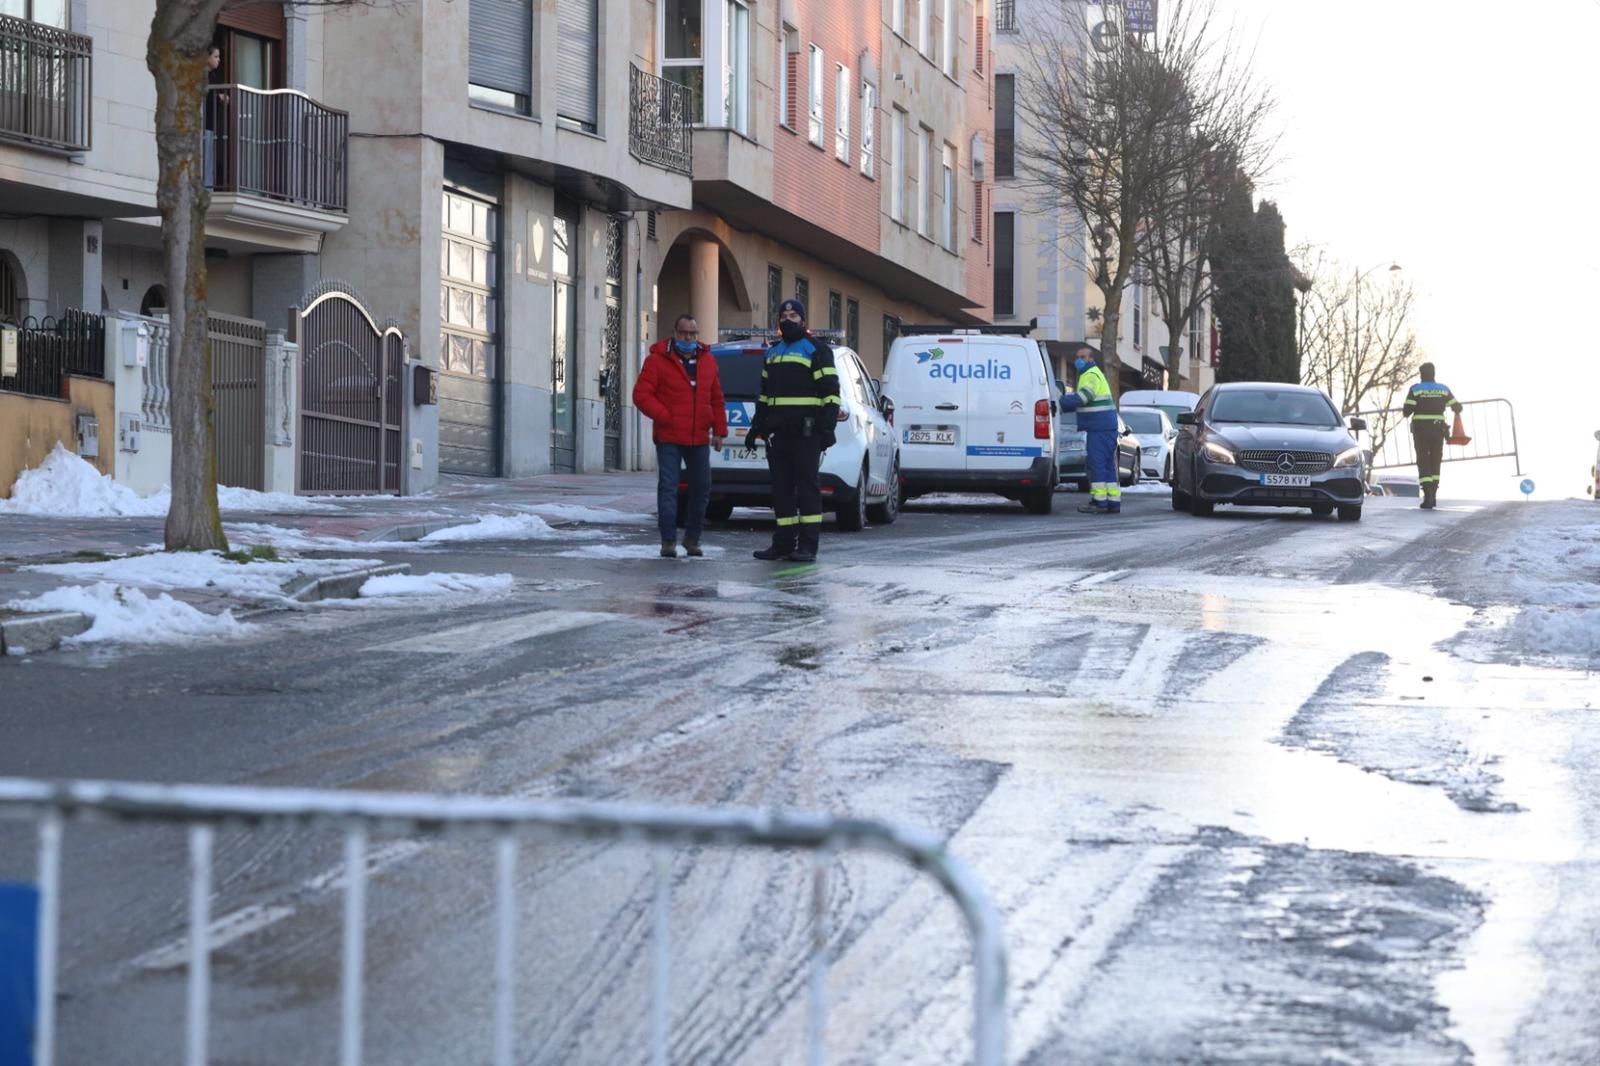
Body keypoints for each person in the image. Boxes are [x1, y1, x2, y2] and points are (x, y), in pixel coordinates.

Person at [745, 298, 839, 562]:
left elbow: (831, 393)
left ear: (803, 320)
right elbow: (764, 396)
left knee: (807, 489)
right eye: (784, 315)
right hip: (778, 434)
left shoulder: (816, 350)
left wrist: (827, 427)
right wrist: (756, 428)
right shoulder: (772, 353)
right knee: (782, 490)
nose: (788, 319)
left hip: (806, 433)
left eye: (793, 315)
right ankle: (784, 543)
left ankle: (808, 545)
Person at [633, 314, 726, 556]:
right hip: (669, 438)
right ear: (675, 333)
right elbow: (641, 395)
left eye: (693, 334)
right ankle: (668, 541)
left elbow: (716, 398)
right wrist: (665, 416)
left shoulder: (708, 361)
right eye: (684, 333)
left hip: (698, 439)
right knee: (668, 488)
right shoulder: (656, 361)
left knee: (702, 489)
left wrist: (719, 431)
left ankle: (692, 539)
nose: (689, 338)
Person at [1059, 346, 1119, 514]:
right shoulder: (1092, 374)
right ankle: (1112, 502)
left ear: (1091, 359)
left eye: (1083, 357)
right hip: (1105, 426)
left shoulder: (1090, 375)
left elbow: (1083, 398)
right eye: (1077, 357)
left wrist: (1060, 401)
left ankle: (1099, 502)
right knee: (1107, 465)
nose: (1078, 360)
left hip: (1099, 427)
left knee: (1097, 464)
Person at [1402, 362, 1462, 510]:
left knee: (1423, 461)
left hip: (1421, 430)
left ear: (1421, 374)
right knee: (1436, 460)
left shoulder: (1415, 389)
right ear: (1434, 373)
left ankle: (1427, 494)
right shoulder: (1443, 389)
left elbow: (1406, 411)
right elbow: (1457, 407)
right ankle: (1434, 494)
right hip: (1438, 430)